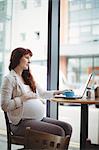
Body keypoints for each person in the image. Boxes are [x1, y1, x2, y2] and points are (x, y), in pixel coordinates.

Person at [1, 47, 72, 137]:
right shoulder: (9, 79)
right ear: (17, 58)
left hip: (37, 119)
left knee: (67, 128)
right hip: (20, 123)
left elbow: (42, 94)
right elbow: (5, 106)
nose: (29, 61)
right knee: (58, 132)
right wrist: (23, 98)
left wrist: (60, 92)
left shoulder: (28, 78)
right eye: (26, 58)